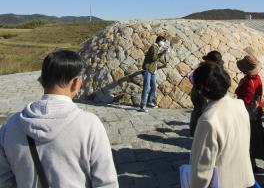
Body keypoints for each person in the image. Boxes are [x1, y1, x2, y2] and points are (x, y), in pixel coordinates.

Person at [0, 50, 118, 188]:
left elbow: (3, 180)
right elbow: (106, 183)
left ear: (42, 80)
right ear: (75, 83)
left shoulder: (10, 125)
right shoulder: (90, 125)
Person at [190, 62, 255, 187]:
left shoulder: (208, 120)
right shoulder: (240, 105)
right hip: (244, 178)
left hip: (223, 183)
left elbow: (202, 168)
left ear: (203, 89)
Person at [235, 54, 264, 172]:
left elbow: (246, 99)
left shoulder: (248, 81)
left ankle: (251, 165)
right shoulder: (257, 78)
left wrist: (240, 87)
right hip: (256, 112)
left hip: (248, 115)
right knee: (253, 138)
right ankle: (252, 164)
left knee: (248, 139)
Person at [189, 50, 224, 137]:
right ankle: (195, 132)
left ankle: (197, 131)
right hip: (200, 92)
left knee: (201, 111)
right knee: (200, 111)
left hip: (201, 91)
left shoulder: (209, 68)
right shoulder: (209, 68)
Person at [139, 35, 168, 112]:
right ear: (159, 41)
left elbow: (158, 58)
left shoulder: (157, 48)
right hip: (147, 69)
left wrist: (164, 62)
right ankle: (143, 106)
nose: (163, 43)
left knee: (154, 87)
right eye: (163, 41)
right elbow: (154, 58)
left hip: (152, 70)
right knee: (146, 87)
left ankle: (149, 102)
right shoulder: (153, 47)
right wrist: (162, 53)